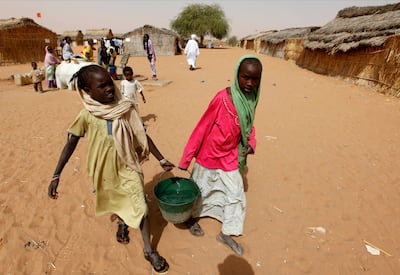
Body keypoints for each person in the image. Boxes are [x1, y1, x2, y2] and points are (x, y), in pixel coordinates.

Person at [47, 65, 174, 273]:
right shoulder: (86, 115)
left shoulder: (124, 108)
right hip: (103, 170)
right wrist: (56, 174)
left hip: (128, 166)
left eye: (110, 83)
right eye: (102, 86)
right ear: (87, 91)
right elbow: (70, 143)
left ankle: (149, 250)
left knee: (141, 206)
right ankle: (123, 222)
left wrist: (161, 159)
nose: (109, 88)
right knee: (115, 199)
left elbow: (141, 135)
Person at [178, 55, 263, 256]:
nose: (250, 83)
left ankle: (226, 233)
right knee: (200, 190)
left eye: (255, 79)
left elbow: (249, 125)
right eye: (245, 77)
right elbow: (202, 127)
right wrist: (186, 158)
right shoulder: (222, 98)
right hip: (209, 154)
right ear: (237, 75)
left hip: (230, 157)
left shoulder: (251, 98)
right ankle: (191, 219)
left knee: (235, 194)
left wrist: (251, 143)